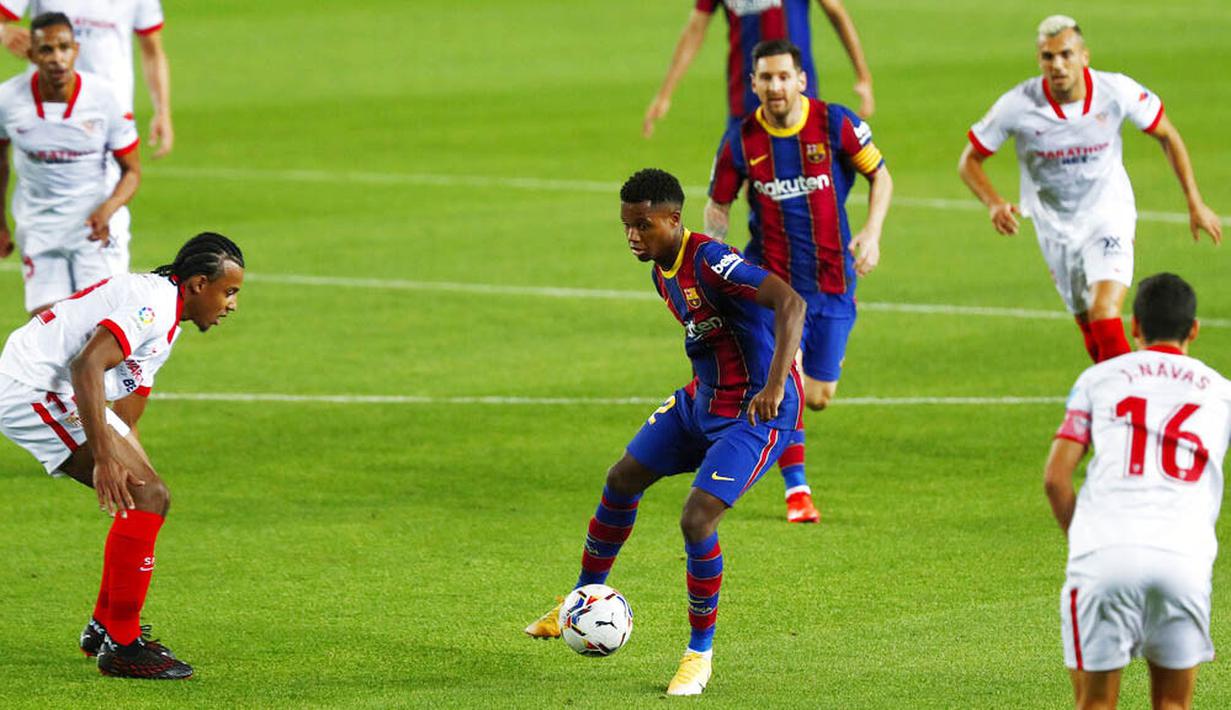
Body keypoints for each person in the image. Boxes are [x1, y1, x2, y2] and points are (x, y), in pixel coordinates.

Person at [524, 168, 805, 696]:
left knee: (697, 518)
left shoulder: (712, 260)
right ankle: (579, 599)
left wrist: (772, 387)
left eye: (644, 225)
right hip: (701, 401)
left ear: (674, 220)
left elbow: (791, 303)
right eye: (627, 226)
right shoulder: (661, 269)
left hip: (755, 415)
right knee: (622, 477)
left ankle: (699, 655)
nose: (633, 236)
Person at [0, 231, 244, 679]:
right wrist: (106, 461)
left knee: (152, 496)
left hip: (55, 388)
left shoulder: (167, 322)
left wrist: (139, 474)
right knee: (148, 495)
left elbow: (126, 423)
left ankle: (104, 628)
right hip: (34, 386)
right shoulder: (150, 306)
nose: (232, 304)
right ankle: (124, 646)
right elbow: (86, 366)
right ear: (196, 285)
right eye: (228, 292)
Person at [958, 15, 1221, 365]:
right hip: (1055, 227)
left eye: (1066, 54)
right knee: (1091, 330)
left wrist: (1195, 201)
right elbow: (969, 161)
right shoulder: (1018, 105)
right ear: (1039, 60)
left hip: (1108, 215)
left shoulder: (1116, 92)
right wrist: (993, 203)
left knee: (1104, 311)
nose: (1057, 65)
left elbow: (1167, 135)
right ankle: (1112, 408)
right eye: (1048, 57)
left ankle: (1134, 397)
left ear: (1085, 56)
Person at [705, 38, 892, 523]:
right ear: (753, 83)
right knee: (781, 382)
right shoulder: (741, 139)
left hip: (831, 280)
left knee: (817, 395)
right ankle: (797, 491)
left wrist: (872, 233)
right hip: (772, 285)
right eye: (765, 78)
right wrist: (715, 253)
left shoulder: (835, 123)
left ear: (800, 79)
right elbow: (718, 204)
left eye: (784, 76)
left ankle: (818, 369)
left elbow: (882, 176)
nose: (775, 86)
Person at [1044, 273, 1230, 709]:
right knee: (1172, 705)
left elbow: (1055, 478)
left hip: (1104, 554)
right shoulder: (1221, 392)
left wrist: (1087, 540)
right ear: (1194, 329)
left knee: (1095, 705)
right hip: (1183, 558)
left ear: (1134, 326)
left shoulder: (1100, 379)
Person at [1, 0, 174, 275]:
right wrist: (3, 31)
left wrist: (162, 110)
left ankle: (102, 289)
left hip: (108, 120)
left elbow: (152, 48)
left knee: (108, 211)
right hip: (47, 117)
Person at [0, 12, 141, 317]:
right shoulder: (8, 100)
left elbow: (132, 171)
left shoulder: (105, 99)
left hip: (95, 231)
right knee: (46, 334)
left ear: (76, 50)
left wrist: (109, 208)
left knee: (97, 333)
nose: (57, 58)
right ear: (31, 54)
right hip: (39, 229)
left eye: (64, 48)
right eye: (46, 50)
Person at [643, 0, 874, 138]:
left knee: (800, 185)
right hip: (744, 97)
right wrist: (665, 94)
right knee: (753, 190)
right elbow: (695, 30)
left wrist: (863, 77)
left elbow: (836, 11)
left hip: (796, 97)